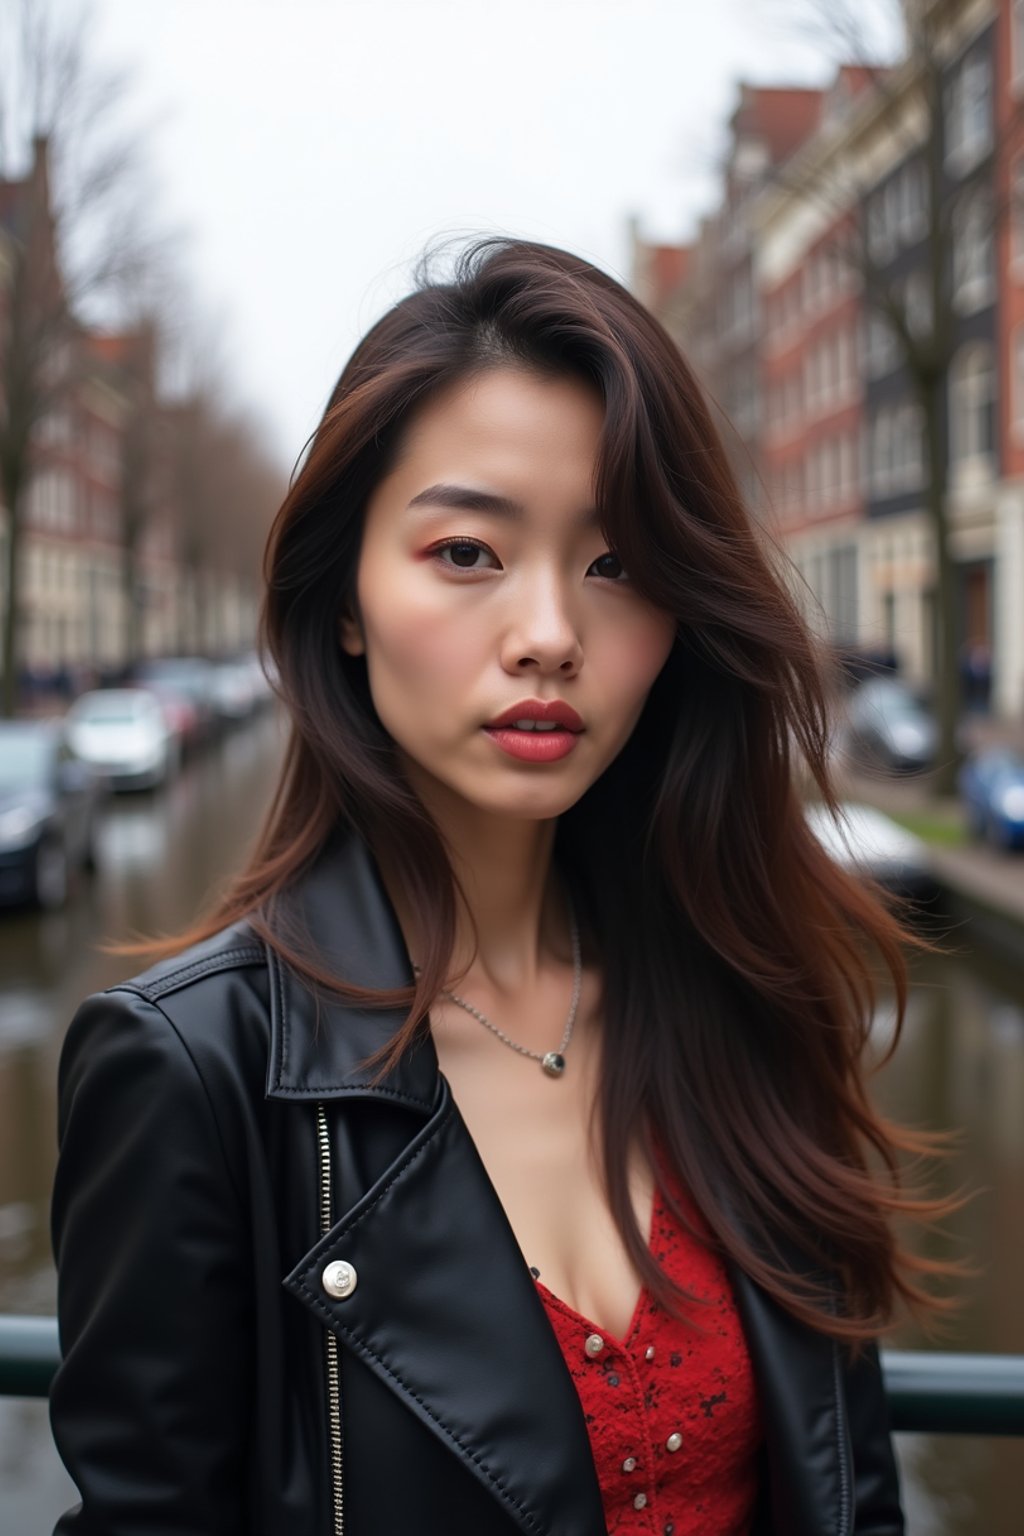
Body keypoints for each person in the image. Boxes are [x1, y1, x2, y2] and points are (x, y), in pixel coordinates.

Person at [50, 238, 948, 1536]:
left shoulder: (752, 998)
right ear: (344, 597)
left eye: (619, 564)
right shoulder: (192, 1078)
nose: (548, 634)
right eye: (467, 552)